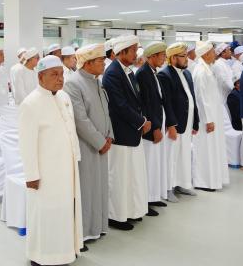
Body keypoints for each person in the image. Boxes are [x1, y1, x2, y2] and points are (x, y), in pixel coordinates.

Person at [19, 55, 83, 266]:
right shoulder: (30, 104)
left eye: (61, 74)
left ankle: (64, 252)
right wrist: (31, 175)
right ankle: (40, 256)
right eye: (54, 75)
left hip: (66, 168)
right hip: (45, 172)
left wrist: (76, 157)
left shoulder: (64, 97)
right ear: (40, 77)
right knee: (44, 213)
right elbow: (26, 144)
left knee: (64, 212)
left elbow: (71, 129)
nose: (60, 78)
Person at [64, 43, 113, 250]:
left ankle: (98, 226)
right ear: (88, 63)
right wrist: (100, 142)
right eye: (101, 60)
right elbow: (80, 120)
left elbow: (106, 111)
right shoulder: (73, 83)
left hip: (102, 144)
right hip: (87, 145)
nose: (104, 64)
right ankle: (83, 232)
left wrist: (109, 135)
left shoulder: (96, 80)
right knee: (86, 188)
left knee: (99, 186)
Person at [102, 35, 153, 232]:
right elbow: (119, 105)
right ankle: (116, 216)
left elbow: (137, 101)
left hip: (133, 132)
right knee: (120, 178)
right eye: (133, 50)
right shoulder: (112, 73)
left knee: (133, 176)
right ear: (121, 52)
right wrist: (141, 122)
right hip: (121, 134)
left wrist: (143, 119)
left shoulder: (128, 71)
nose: (136, 54)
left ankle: (132, 210)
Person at [136, 42, 177, 208]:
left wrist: (168, 123)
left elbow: (161, 100)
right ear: (152, 56)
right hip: (152, 129)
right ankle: (146, 201)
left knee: (156, 164)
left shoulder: (153, 72)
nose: (164, 58)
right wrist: (155, 128)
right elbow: (145, 105)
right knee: (149, 165)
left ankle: (154, 196)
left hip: (160, 123)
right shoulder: (142, 74)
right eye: (162, 55)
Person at [157, 43, 199, 200]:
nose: (187, 59)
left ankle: (182, 184)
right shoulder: (165, 75)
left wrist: (195, 121)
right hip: (175, 124)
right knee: (171, 156)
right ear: (173, 58)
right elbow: (166, 103)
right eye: (183, 56)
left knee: (184, 155)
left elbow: (192, 98)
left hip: (187, 121)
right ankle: (168, 188)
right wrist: (171, 125)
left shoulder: (187, 73)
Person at [192, 41, 229, 191]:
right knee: (205, 149)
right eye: (213, 52)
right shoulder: (201, 71)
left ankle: (214, 179)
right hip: (206, 119)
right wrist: (208, 120)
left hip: (213, 116)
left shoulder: (208, 69)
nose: (215, 54)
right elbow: (201, 99)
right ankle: (203, 182)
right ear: (206, 54)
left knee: (213, 148)